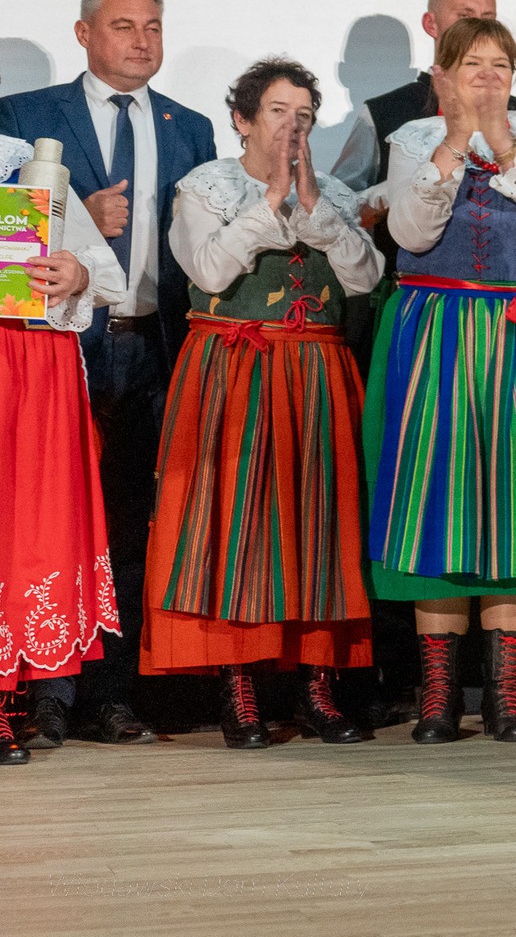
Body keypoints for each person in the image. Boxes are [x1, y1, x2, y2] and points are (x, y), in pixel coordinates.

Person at [366, 16, 516, 744]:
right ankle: (439, 694)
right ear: (443, 73)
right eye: (472, 63)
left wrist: (505, 146)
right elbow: (410, 233)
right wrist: (452, 145)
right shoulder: (415, 140)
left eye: (500, 64)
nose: (488, 76)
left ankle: (507, 692)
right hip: (439, 331)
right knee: (435, 503)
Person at [0, 0, 216, 748]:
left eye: (152, 26)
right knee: (47, 521)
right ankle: (43, 697)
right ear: (85, 33)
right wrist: (78, 221)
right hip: (57, 353)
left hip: (155, 348)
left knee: (129, 525)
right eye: (124, 26)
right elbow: (16, 234)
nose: (141, 41)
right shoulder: (24, 116)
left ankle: (111, 697)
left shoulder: (190, 126)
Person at [141, 59, 384, 749]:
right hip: (236, 368)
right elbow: (209, 268)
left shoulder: (332, 193)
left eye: (304, 115)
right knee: (236, 525)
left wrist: (312, 208)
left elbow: (365, 276)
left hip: (315, 370)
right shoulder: (207, 188)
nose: (292, 126)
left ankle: (317, 688)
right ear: (242, 120)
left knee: (318, 523)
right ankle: (240, 687)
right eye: (278, 112)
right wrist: (271, 201)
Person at [0, 134, 125, 764]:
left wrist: (76, 273)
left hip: (32, 361)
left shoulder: (21, 164)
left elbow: (107, 275)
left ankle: (9, 700)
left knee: (28, 533)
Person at [330, 0, 516, 192]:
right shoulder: (383, 113)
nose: (477, 29)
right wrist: (396, 192)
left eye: (488, 19)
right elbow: (342, 203)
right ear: (431, 24)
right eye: (465, 16)